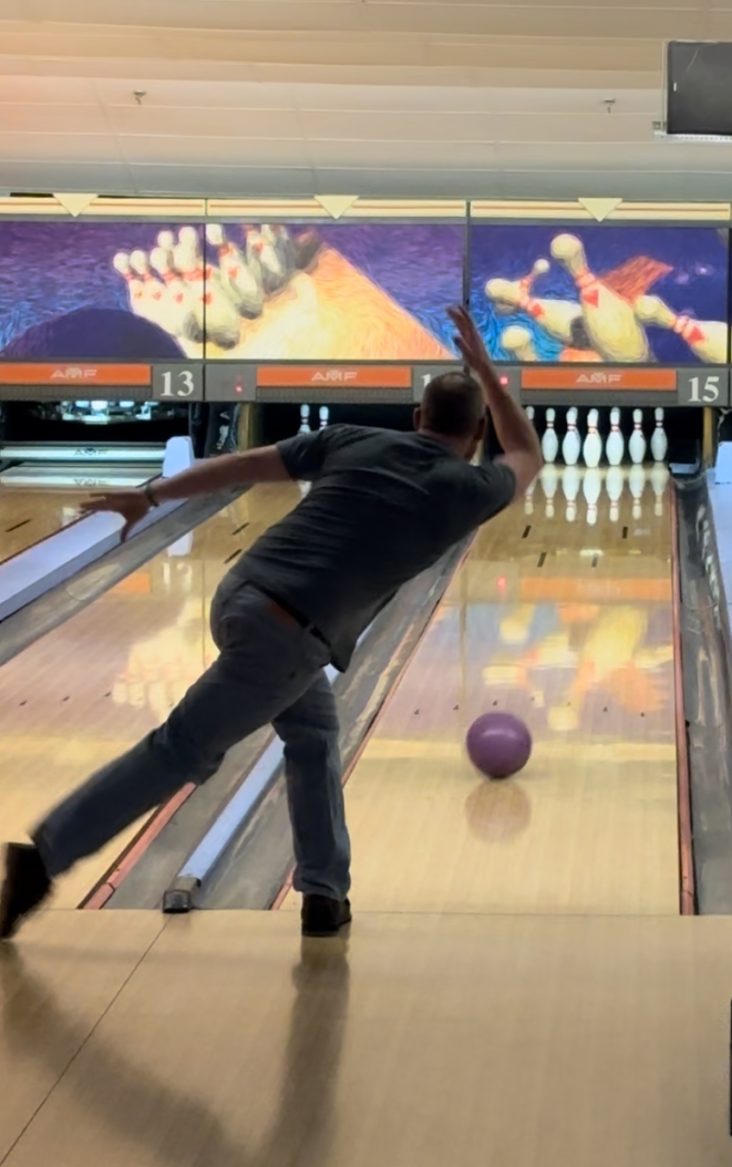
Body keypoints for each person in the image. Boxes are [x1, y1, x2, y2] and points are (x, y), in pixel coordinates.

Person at [0, 307, 541, 940]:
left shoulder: (350, 438)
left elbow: (241, 465)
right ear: (477, 432)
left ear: (417, 417)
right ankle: (44, 858)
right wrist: (486, 370)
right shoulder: (470, 489)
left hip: (243, 593)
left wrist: (149, 496)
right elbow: (526, 450)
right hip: (288, 635)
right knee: (181, 748)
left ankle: (323, 894)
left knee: (312, 736)